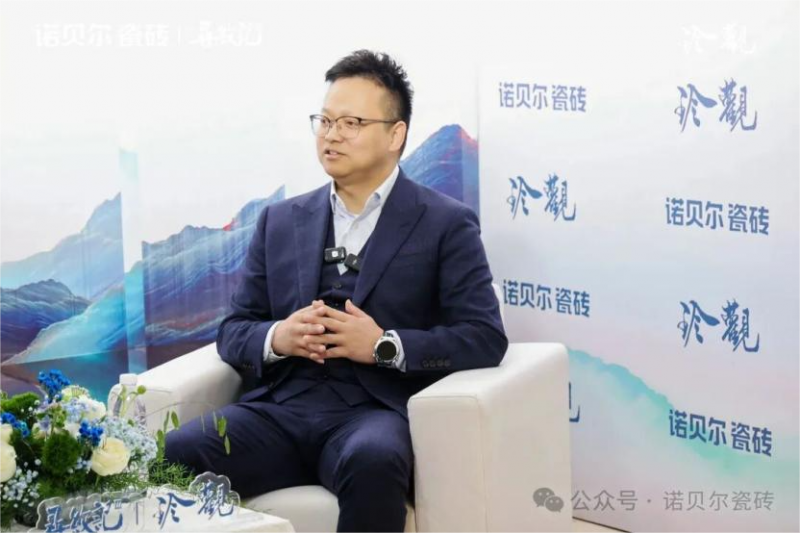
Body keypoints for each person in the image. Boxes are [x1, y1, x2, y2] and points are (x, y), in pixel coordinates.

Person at [165, 49, 507, 533]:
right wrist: (279, 337)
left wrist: (384, 345)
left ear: (395, 134)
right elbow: (234, 330)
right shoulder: (280, 220)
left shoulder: (446, 223)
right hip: (278, 410)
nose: (331, 135)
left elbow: (484, 337)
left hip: (372, 414)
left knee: (374, 461)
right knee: (173, 453)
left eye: (351, 123)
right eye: (324, 121)